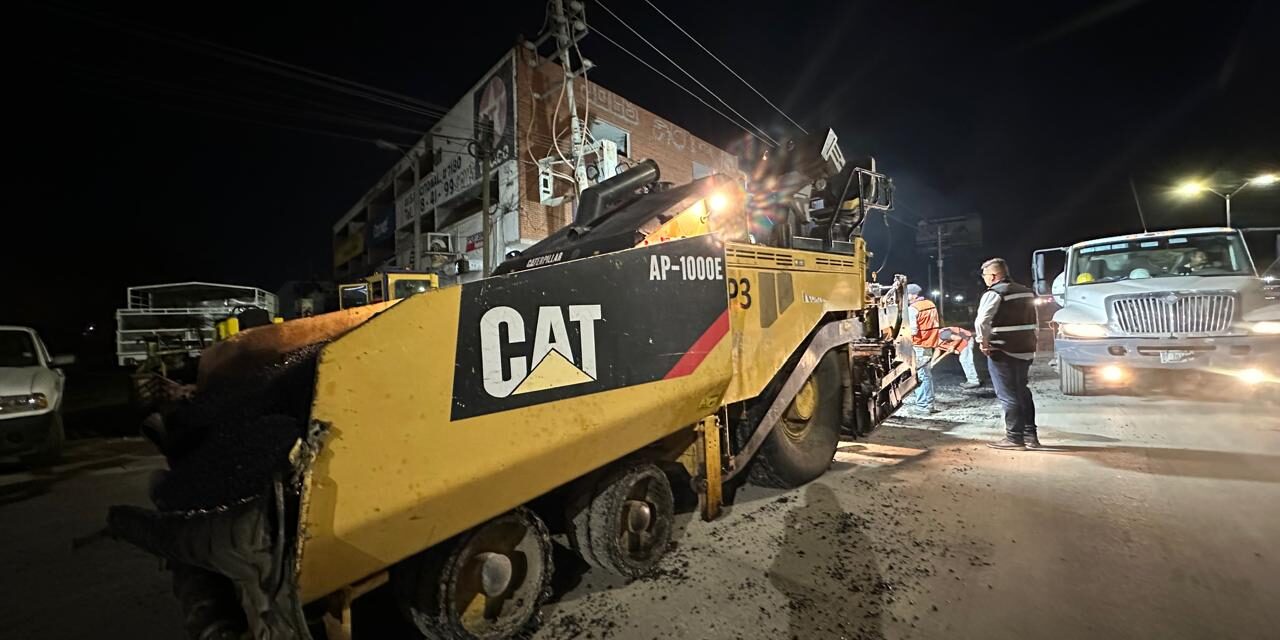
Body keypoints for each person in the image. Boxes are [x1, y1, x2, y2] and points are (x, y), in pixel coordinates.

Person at [975, 258, 1042, 450]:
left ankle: (1014, 438)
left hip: (1002, 350)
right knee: (1022, 390)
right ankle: (1031, 436)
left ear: (994, 275)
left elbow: (982, 322)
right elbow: (1035, 320)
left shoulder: (995, 293)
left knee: (1007, 393)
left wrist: (983, 342)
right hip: (1026, 349)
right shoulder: (1026, 291)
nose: (984, 279)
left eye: (985, 276)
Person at [906, 283, 939, 413]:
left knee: (921, 375)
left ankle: (923, 405)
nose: (906, 297)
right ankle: (929, 404)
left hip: (919, 344)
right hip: (929, 342)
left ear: (914, 295)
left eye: (908, 294)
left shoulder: (913, 308)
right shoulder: (930, 304)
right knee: (926, 375)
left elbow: (913, 330)